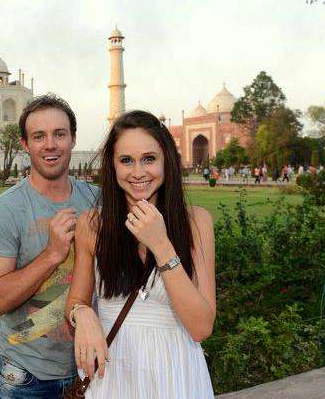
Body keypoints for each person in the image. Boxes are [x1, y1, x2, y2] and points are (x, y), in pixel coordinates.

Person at [66, 110, 215, 398]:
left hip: (175, 374)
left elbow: (201, 327)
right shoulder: (93, 225)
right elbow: (76, 300)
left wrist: (161, 245)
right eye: (126, 160)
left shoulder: (196, 223)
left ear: (166, 160)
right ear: (112, 165)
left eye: (149, 159)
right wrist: (82, 313)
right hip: (113, 375)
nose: (138, 172)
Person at [0, 94, 99, 399]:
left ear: (73, 139)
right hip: (27, 378)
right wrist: (52, 255)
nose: (50, 145)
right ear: (25, 144)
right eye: (39, 136)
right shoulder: (6, 210)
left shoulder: (98, 201)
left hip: (92, 371)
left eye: (59, 134)